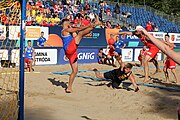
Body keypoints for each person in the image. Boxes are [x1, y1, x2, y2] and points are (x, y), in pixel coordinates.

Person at [60, 15, 101, 93]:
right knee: (80, 33)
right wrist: (89, 25)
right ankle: (96, 23)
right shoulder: (65, 30)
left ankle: (69, 87)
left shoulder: (68, 32)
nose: (70, 24)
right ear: (66, 23)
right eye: (69, 23)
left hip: (71, 53)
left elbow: (77, 36)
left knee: (75, 71)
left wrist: (86, 32)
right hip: (69, 49)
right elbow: (79, 29)